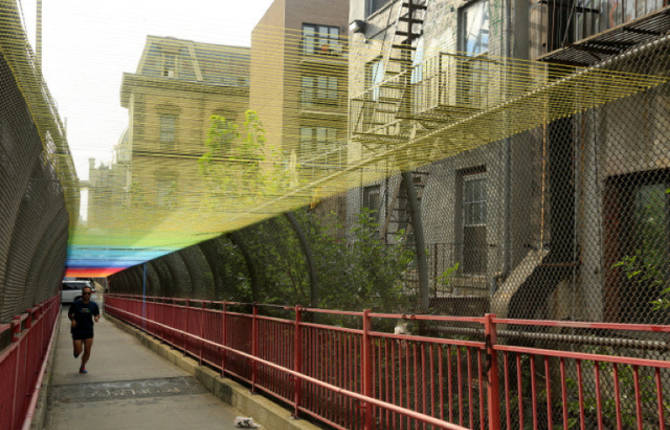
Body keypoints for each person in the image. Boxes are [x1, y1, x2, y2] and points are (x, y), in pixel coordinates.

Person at [68, 285, 100, 374]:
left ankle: (82, 366)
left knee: (87, 350)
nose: (86, 295)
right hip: (77, 329)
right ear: (82, 294)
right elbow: (70, 314)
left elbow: (97, 314)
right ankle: (76, 352)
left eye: (88, 293)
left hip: (88, 329)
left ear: (91, 294)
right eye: (85, 293)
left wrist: (96, 318)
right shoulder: (76, 304)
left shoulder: (93, 305)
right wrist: (73, 320)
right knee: (78, 351)